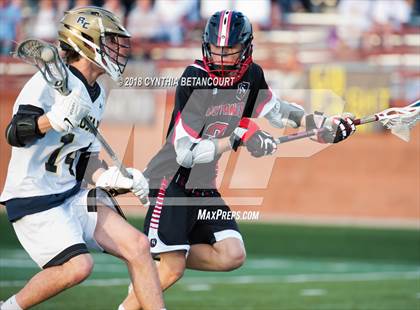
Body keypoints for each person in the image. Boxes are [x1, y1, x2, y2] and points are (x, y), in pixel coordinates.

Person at [120, 10, 356, 310]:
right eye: (216, 50)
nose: (221, 58)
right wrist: (238, 136)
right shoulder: (195, 79)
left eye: (229, 50)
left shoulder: (251, 75)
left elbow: (278, 111)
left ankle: (156, 255)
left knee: (232, 254)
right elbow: (185, 153)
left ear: (245, 48)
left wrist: (318, 124)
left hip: (202, 186)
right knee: (173, 268)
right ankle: (142, 284)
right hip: (171, 181)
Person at [0, 7, 165, 310]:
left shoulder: (98, 92)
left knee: (138, 246)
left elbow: (85, 161)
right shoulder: (48, 81)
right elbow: (15, 133)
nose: (117, 49)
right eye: (110, 41)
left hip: (70, 192)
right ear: (86, 43)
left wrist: (115, 179)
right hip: (35, 196)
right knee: (77, 266)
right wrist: (52, 120)